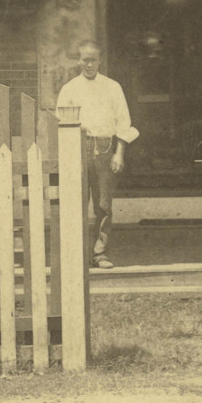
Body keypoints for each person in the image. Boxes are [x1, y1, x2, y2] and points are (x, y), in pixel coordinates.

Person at [56, 39, 138, 269]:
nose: (89, 64)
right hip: (77, 147)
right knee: (76, 202)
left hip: (104, 148)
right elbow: (60, 121)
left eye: (93, 60)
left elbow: (123, 123)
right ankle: (77, 255)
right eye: (85, 60)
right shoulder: (70, 89)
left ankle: (100, 254)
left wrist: (118, 154)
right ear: (79, 60)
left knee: (103, 204)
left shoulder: (112, 87)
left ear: (100, 60)